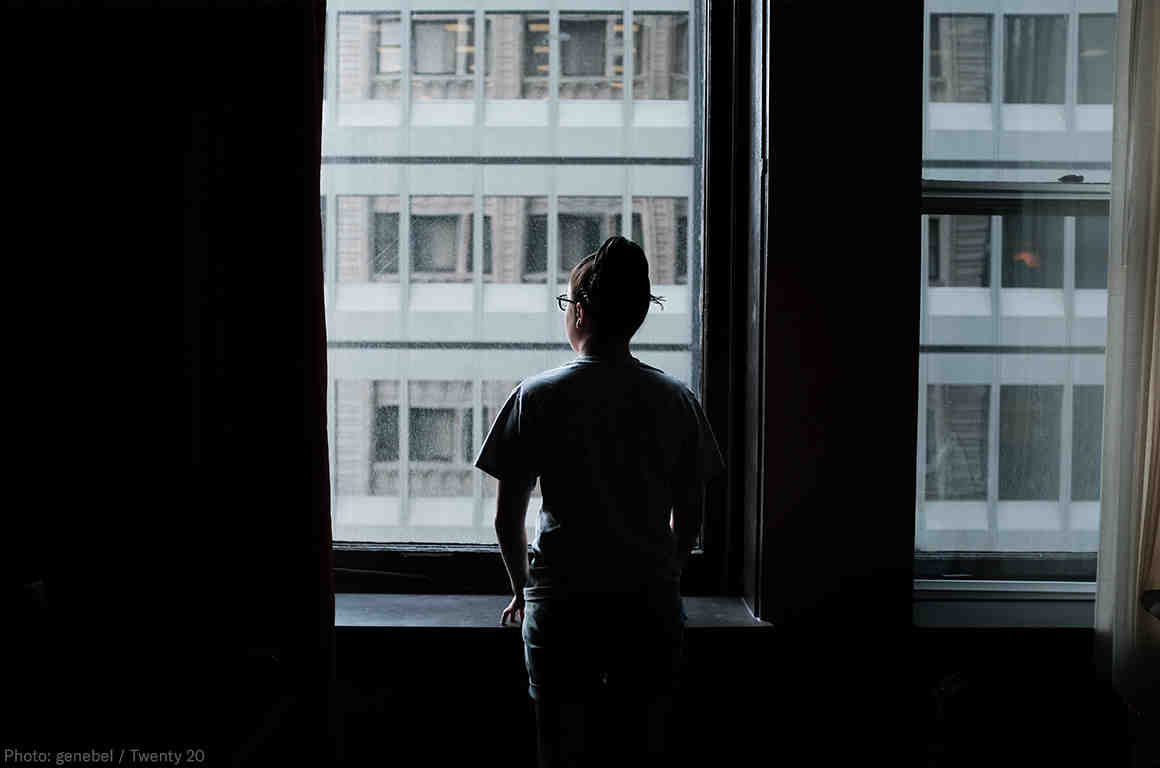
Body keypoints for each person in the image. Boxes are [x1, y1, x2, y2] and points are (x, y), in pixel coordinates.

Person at [474, 235, 725, 768]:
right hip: (646, 603)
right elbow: (691, 518)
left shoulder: (536, 396)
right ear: (638, 315)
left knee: (560, 752)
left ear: (580, 312)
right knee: (642, 751)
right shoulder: (677, 400)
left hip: (561, 603)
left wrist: (522, 591)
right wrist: (667, 575)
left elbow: (506, 519)